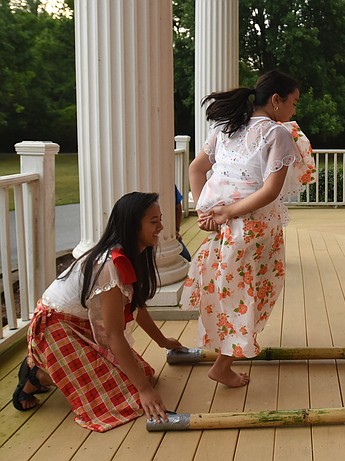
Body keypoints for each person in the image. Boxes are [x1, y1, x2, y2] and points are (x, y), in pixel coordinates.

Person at [181, 70, 315, 388]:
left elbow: (195, 168)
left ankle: (223, 359)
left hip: (225, 228)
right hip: (256, 227)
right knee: (255, 292)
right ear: (276, 100)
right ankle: (223, 365)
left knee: (230, 291)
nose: (295, 110)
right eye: (293, 102)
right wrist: (225, 211)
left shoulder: (228, 127)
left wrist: (207, 211)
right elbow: (268, 192)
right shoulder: (277, 133)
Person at [12, 192, 183, 432]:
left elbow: (136, 305)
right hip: (55, 327)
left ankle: (53, 368)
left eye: (160, 219)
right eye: (153, 221)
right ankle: (37, 376)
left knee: (143, 374)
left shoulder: (131, 254)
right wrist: (144, 391)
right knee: (126, 400)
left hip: (77, 322)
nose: (161, 227)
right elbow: (114, 335)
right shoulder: (110, 265)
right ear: (133, 225)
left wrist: (162, 341)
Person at [174, 185, 192, 261]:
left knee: (186, 258)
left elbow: (178, 207)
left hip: (170, 232)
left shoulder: (169, 186)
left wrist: (176, 229)